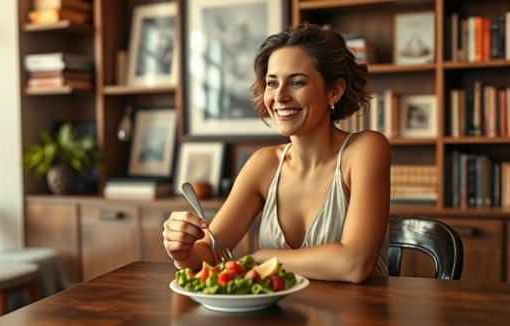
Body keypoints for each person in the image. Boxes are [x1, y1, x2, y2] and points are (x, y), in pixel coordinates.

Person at [162, 23, 391, 283]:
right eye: (272, 83)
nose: (280, 96)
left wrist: (261, 259)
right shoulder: (263, 164)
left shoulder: (366, 149)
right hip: (280, 320)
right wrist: (182, 251)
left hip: (360, 319)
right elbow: (210, 253)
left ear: (334, 91)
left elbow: (354, 263)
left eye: (296, 82)